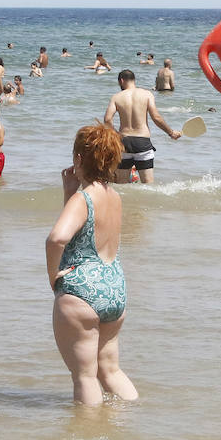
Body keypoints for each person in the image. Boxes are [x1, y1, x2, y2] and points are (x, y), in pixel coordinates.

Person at [46, 124, 138, 406]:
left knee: (85, 376)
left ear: (78, 158)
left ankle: (88, 438)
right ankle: (133, 416)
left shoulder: (83, 198)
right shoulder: (114, 197)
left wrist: (54, 278)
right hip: (114, 289)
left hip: (82, 291)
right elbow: (87, 233)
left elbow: (57, 238)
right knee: (110, 370)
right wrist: (69, 193)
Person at [103, 69, 181, 185]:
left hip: (123, 142)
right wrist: (171, 132)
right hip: (142, 142)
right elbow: (156, 118)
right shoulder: (147, 94)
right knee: (148, 185)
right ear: (134, 80)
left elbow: (107, 119)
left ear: (121, 81)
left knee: (122, 185)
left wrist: (116, 135)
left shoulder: (116, 97)